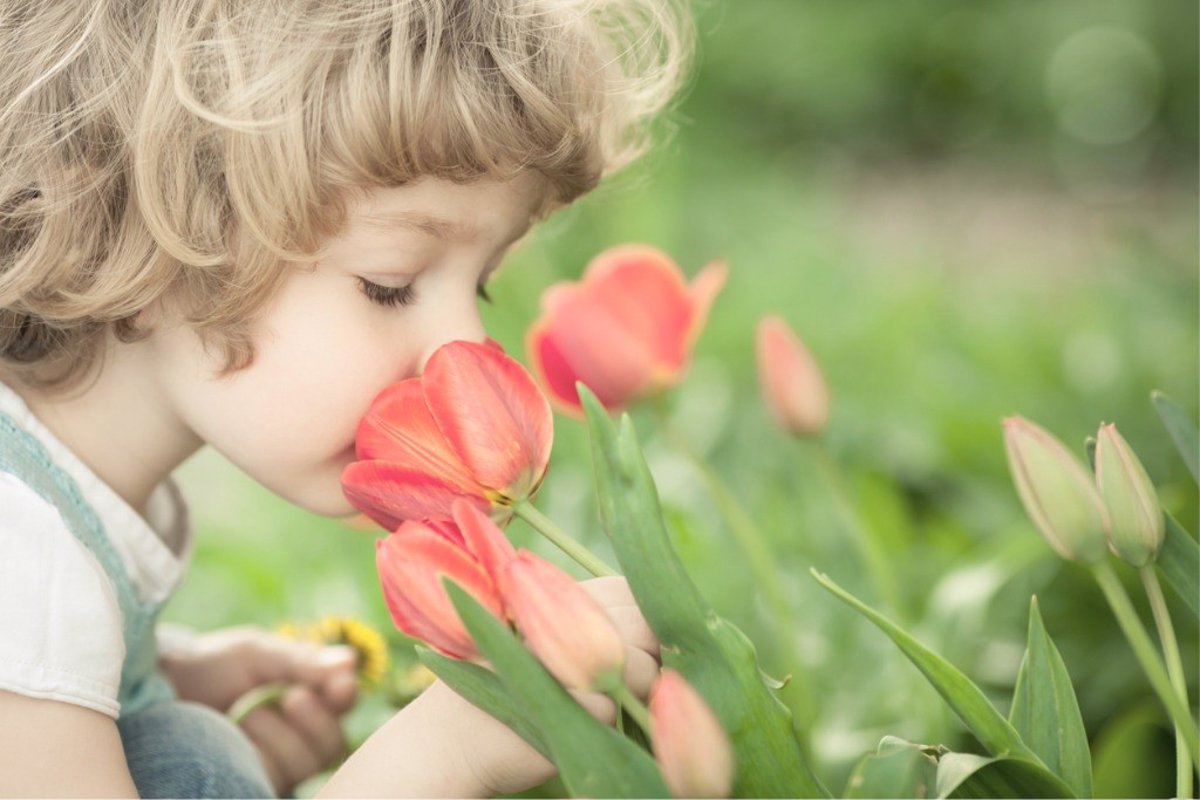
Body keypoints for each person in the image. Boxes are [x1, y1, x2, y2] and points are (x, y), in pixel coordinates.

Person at [0, 1, 692, 796]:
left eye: (484, 286)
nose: (458, 353)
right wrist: (445, 754)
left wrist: (167, 676)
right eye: (389, 285)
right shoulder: (17, 556)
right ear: (129, 224)